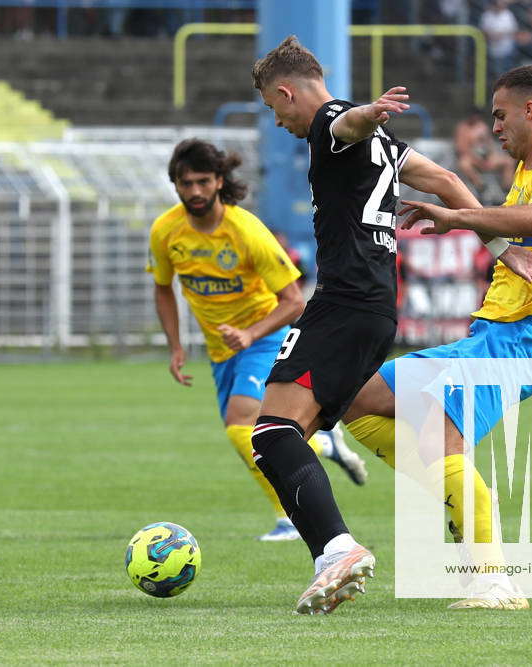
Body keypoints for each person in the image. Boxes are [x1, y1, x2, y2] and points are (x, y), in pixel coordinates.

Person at [250, 37, 532, 615]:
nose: (278, 120)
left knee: (270, 434)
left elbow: (341, 125)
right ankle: (444, 497)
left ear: (289, 92)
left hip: (343, 305)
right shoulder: (387, 147)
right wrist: (499, 248)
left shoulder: (331, 123)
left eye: (274, 107)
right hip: (374, 311)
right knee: (342, 416)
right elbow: (443, 180)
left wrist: (365, 113)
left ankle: (336, 551)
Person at [343, 64, 532, 610]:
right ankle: (461, 496)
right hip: (490, 338)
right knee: (356, 399)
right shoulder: (530, 169)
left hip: (517, 343)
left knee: (443, 440)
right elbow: (519, 220)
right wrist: (489, 233)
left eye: (501, 115)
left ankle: (492, 581)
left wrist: (460, 217)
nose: (494, 128)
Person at [146, 139, 368, 543]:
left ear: (219, 182)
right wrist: (176, 346)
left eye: (202, 181)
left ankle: (291, 518)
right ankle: (321, 446)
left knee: (240, 427)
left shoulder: (246, 231)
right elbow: (163, 287)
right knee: (254, 439)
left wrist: (249, 333)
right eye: (185, 183)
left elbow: (293, 300)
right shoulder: (166, 231)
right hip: (221, 352)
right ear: (175, 185)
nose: (194, 191)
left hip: (264, 339)